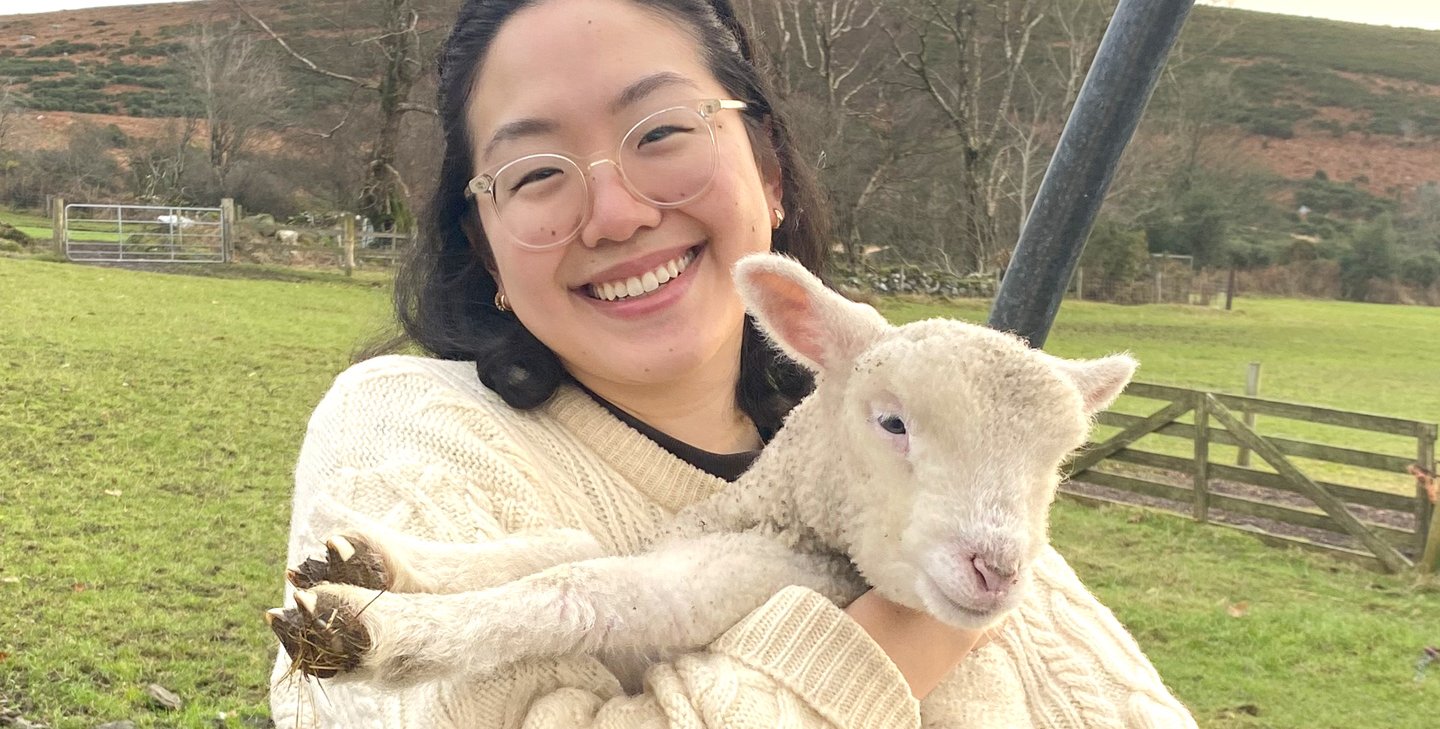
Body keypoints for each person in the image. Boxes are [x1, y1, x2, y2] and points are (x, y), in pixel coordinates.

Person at [268, 0, 1197, 726]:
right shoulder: (413, 432)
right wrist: (884, 645)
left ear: (771, 175)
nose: (619, 212)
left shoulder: (911, 447)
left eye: (664, 132)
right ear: (485, 249)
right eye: (538, 172)